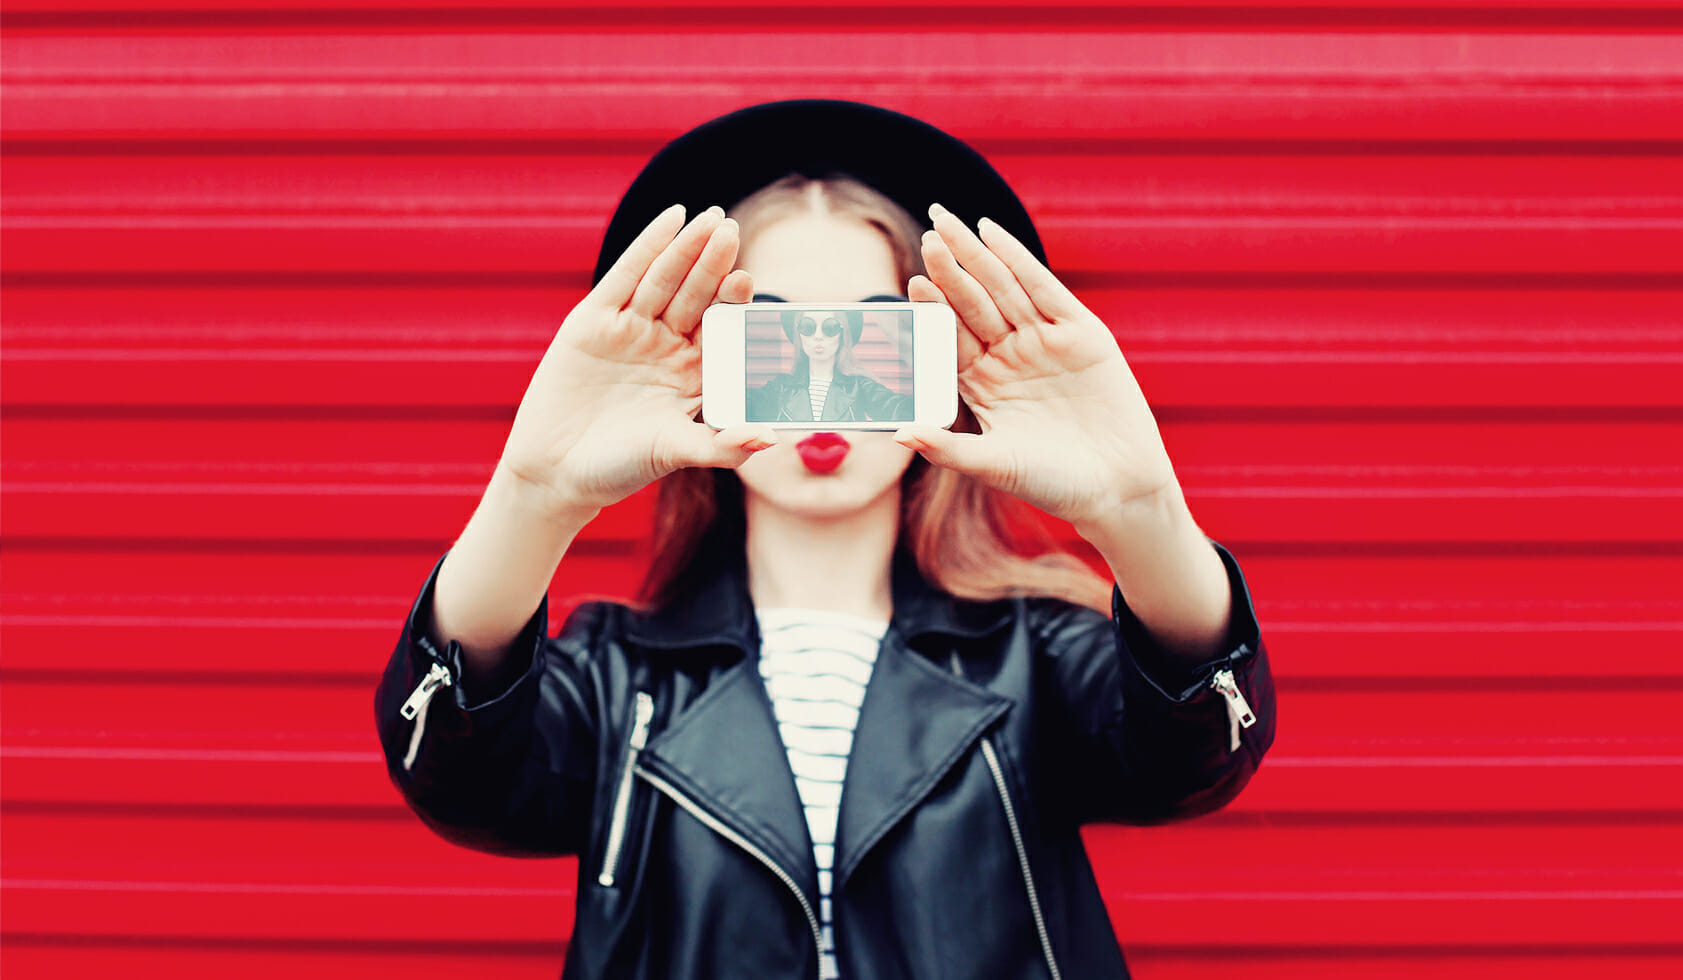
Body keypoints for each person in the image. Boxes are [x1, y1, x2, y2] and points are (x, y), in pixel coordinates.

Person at [374, 100, 1275, 980]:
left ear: (941, 361)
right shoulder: (614, 677)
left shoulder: (1036, 655)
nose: (820, 376)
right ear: (699, 363)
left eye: (873, 336)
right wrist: (532, 497)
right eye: (769, 334)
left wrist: (1140, 508)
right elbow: (455, 779)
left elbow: (1197, 760)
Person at [746, 304, 913, 423]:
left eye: (830, 327)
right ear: (799, 334)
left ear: (842, 334)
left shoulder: (859, 386)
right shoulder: (779, 388)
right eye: (807, 326)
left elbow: (901, 409)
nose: (818, 336)